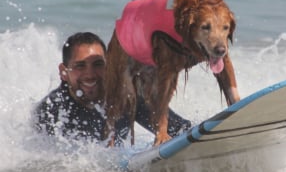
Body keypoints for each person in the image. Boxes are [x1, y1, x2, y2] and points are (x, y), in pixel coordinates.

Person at [34, 32, 191, 145]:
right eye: (80, 66)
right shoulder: (51, 111)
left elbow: (182, 131)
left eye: (98, 64)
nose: (90, 74)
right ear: (63, 72)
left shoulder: (126, 97)